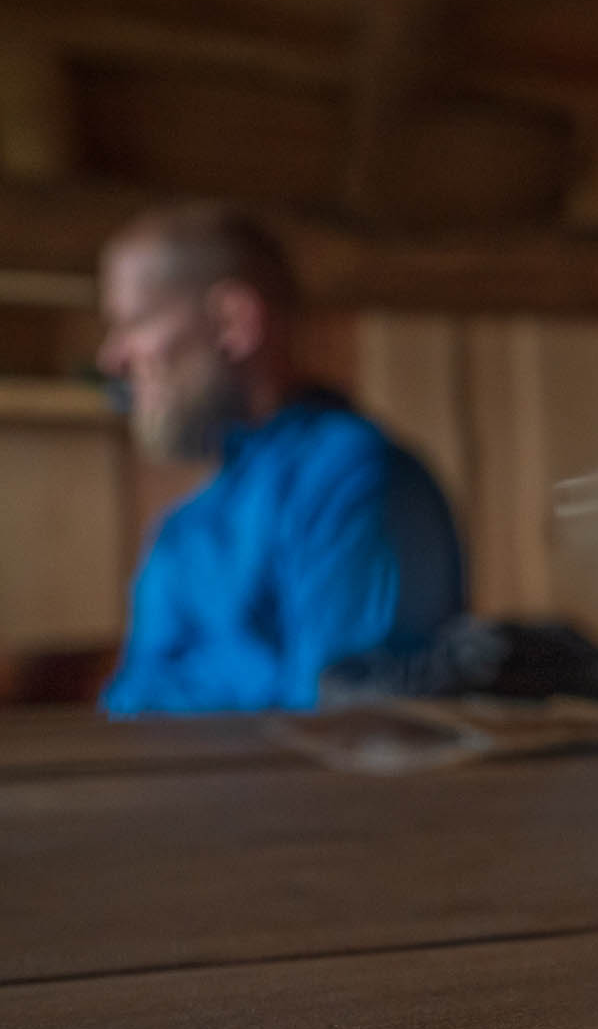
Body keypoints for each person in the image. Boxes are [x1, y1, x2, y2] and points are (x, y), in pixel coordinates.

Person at [97, 204, 465, 714]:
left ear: (234, 321)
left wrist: (190, 684)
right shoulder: (182, 530)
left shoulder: (355, 479)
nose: (112, 358)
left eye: (134, 320)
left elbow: (349, 720)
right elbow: (127, 710)